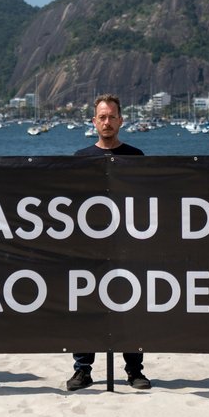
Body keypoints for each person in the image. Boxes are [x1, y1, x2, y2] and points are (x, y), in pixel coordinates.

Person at [65, 94, 151, 391]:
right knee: (86, 307)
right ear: (93, 121)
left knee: (130, 309)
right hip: (90, 248)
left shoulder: (135, 156)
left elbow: (146, 202)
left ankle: (134, 369)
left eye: (112, 116)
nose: (107, 121)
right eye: (102, 117)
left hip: (128, 246)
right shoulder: (81, 158)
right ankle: (82, 370)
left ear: (121, 120)